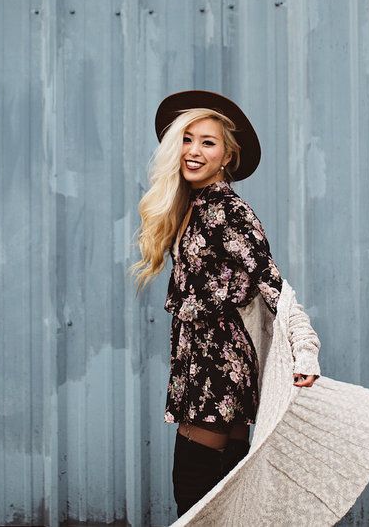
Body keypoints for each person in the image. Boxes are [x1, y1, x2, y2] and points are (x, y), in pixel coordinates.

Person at [130, 90, 319, 517]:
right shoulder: (196, 207)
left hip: (218, 367)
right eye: (187, 139)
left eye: (208, 142)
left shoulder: (226, 211)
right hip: (206, 361)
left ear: (226, 156)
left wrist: (305, 348)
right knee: (227, 492)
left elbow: (271, 282)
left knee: (194, 487)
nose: (194, 151)